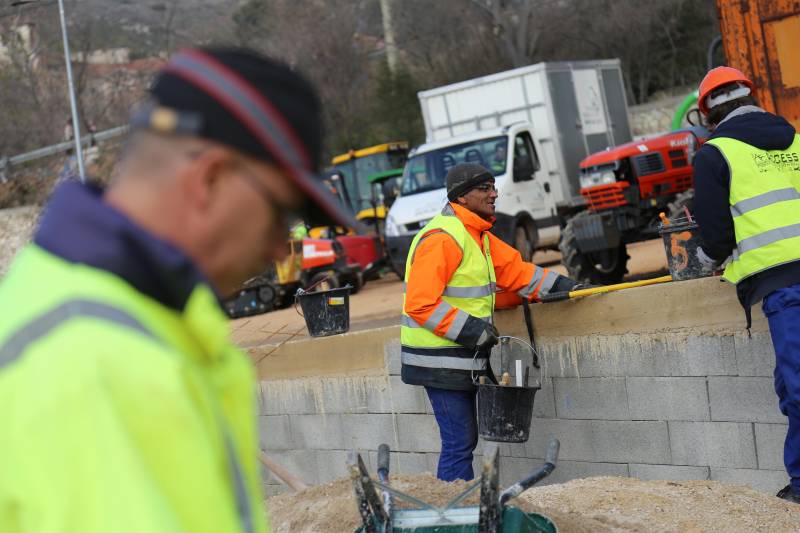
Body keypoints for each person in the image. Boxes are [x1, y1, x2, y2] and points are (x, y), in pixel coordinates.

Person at [0, 47, 355, 532]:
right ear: (210, 178)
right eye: (280, 212)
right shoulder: (102, 363)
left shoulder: (80, 312)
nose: (280, 246)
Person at [400, 162, 578, 481]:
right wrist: (472, 330)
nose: (494, 194)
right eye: (484, 188)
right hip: (438, 361)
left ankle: (460, 504)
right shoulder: (442, 238)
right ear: (462, 197)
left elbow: (517, 272)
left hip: (460, 357)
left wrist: (569, 288)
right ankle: (456, 508)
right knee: (459, 443)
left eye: (493, 187)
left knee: (462, 441)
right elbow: (420, 304)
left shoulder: (476, 235)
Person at [691, 66, 800, 504]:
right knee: (788, 386)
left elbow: (717, 238)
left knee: (796, 387)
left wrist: (703, 261)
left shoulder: (714, 154)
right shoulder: (794, 138)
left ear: (708, 114)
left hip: (783, 283)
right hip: (788, 282)